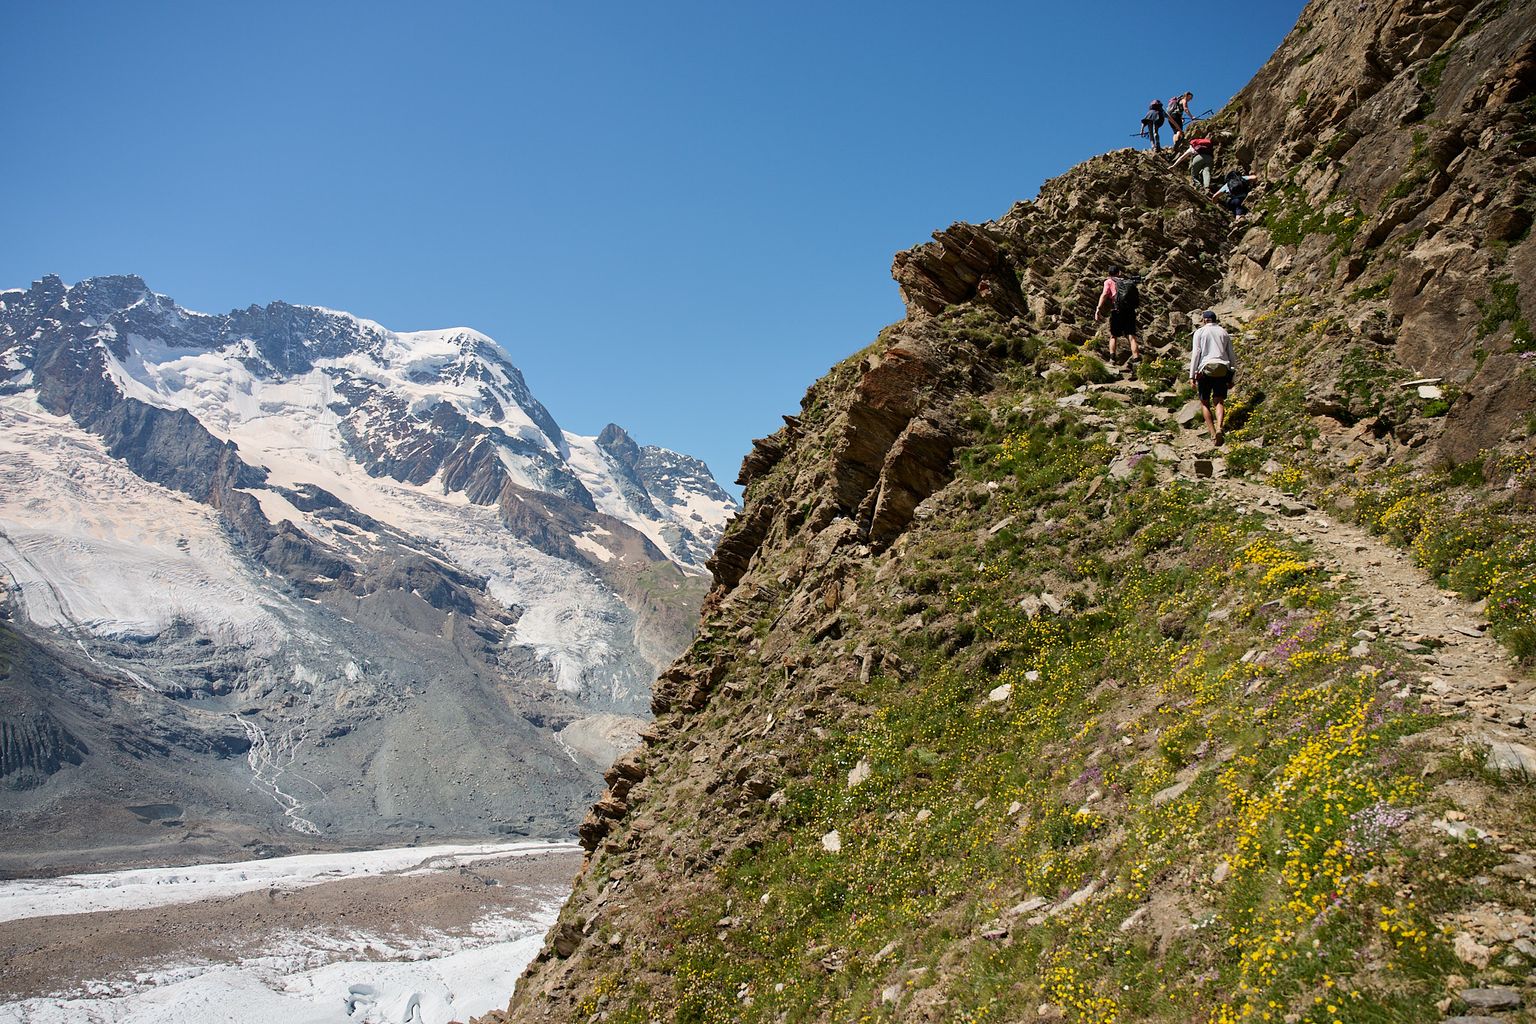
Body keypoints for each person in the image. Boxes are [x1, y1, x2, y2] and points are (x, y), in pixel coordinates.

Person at [1189, 310, 1236, 443]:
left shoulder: (1200, 332)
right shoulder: (1223, 332)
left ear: (1204, 320)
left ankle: (1213, 433)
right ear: (1215, 320)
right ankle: (1220, 427)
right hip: (1222, 369)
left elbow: (1196, 354)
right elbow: (1231, 355)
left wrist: (1192, 375)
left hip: (1205, 369)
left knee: (1205, 402)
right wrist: (1232, 377)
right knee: (1219, 400)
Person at [1094, 266, 1142, 365]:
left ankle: (1112, 359)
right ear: (1119, 273)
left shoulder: (1108, 282)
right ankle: (1137, 360)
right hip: (1130, 311)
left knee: (1113, 336)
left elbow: (1104, 294)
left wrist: (1098, 308)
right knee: (1131, 336)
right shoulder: (1126, 281)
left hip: (1117, 311)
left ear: (1108, 273)